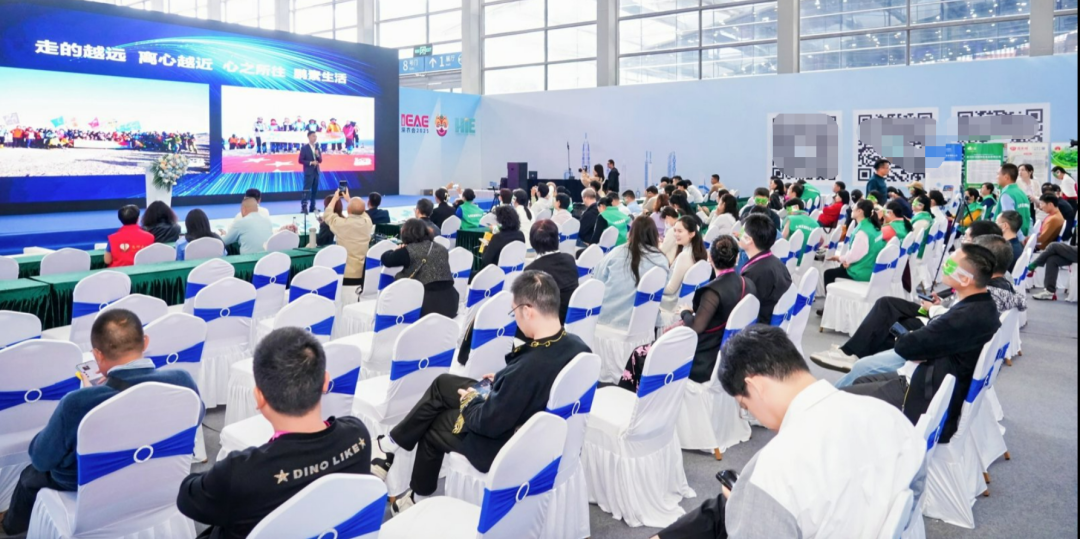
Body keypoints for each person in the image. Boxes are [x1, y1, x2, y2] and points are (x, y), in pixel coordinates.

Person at [653, 326, 924, 539]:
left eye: (745, 406)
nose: (752, 415)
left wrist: (754, 506)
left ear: (755, 387)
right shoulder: (891, 417)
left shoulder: (775, 468)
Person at [374, 271, 591, 514]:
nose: (515, 319)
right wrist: (502, 380)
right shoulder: (578, 346)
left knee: (435, 424)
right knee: (443, 383)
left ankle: (417, 497)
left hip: (507, 442)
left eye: (514, 312)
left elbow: (487, 423)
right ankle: (390, 444)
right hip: (527, 417)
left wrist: (470, 400)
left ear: (528, 310)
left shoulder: (529, 367)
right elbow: (533, 383)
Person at [2, 310, 202, 535]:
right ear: (145, 342)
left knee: (30, 475)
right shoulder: (182, 381)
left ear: (97, 354)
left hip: (84, 483)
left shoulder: (77, 403)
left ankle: (10, 528)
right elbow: (195, 418)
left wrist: (91, 397)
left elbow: (41, 458)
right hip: (159, 474)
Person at [176, 328, 370, 539]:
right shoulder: (358, 435)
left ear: (259, 397)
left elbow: (187, 498)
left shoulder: (240, 473)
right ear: (325, 382)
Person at [834, 245, 1000, 444]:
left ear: (965, 279)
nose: (944, 266)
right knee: (860, 379)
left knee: (839, 399)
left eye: (949, 266)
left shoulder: (964, 317)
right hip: (931, 380)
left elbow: (907, 347)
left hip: (923, 396)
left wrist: (910, 338)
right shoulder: (983, 306)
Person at [675, 236, 756, 384]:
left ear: (710, 258)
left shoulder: (712, 292)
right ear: (737, 258)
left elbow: (695, 327)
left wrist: (684, 312)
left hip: (706, 359)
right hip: (736, 354)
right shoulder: (749, 284)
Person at [594, 216, 669, 329]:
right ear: (654, 235)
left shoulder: (616, 253)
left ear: (631, 232)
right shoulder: (661, 259)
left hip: (606, 319)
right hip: (643, 323)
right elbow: (662, 289)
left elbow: (597, 280)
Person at [381, 218, 459, 318]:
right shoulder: (442, 248)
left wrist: (395, 250)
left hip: (425, 306)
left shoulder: (408, 251)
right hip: (451, 303)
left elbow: (386, 259)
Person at [738, 214, 792, 324]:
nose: (739, 234)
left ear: (749, 240)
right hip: (773, 325)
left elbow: (744, 311)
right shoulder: (777, 263)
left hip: (758, 327)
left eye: (742, 231)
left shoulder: (754, 273)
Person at [521, 220, 579, 321]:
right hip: (571, 318)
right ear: (557, 239)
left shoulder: (532, 270)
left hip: (548, 323)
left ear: (532, 242)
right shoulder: (569, 259)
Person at [822, 199, 885, 288]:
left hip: (862, 273)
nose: (852, 209)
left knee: (828, 274)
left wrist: (840, 258)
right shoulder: (873, 226)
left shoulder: (862, 232)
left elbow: (853, 255)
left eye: (854, 207)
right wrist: (847, 260)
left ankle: (831, 296)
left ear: (860, 211)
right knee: (842, 266)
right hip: (870, 267)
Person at [322, 189, 373, 287]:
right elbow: (362, 213)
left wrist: (335, 198)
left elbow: (327, 215)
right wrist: (349, 200)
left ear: (348, 210)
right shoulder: (367, 223)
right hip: (362, 274)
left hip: (345, 275)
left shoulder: (342, 224)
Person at [662, 216, 709, 310]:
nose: (675, 234)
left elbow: (671, 289)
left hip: (673, 305)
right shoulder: (698, 252)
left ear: (691, 234)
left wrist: (653, 287)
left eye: (680, 231)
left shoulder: (685, 256)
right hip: (688, 304)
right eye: (674, 230)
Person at [480, 206, 525, 271]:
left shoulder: (497, 238)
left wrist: (485, 244)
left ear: (500, 221)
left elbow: (485, 260)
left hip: (497, 272)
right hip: (516, 271)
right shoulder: (520, 235)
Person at [993, 164, 1033, 236]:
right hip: (1024, 235)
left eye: (998, 174)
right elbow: (1029, 218)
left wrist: (1021, 238)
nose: (996, 177)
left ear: (1006, 177)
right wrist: (1028, 236)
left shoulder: (1007, 194)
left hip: (1012, 238)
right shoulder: (1021, 193)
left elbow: (1010, 221)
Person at [782, 198, 821, 264]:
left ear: (795, 208)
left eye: (788, 210)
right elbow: (821, 241)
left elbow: (782, 238)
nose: (788, 213)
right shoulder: (815, 223)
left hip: (789, 261)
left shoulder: (790, 219)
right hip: (807, 262)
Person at [298, 131, 322, 212]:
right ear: (308, 137)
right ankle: (304, 207)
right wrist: (311, 163)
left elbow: (320, 160)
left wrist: (317, 154)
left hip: (316, 172)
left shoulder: (317, 148)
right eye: (313, 136)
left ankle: (312, 207)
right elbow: (300, 160)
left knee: (314, 191)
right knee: (306, 190)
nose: (315, 138)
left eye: (316, 136)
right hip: (308, 172)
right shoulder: (304, 148)